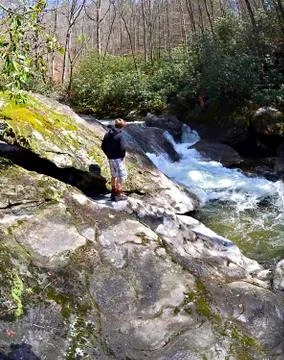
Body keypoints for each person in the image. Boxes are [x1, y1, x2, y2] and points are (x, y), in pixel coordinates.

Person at [101, 118, 127, 201]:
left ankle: (113, 193)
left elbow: (103, 146)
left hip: (110, 158)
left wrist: (108, 154)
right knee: (121, 176)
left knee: (114, 175)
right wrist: (122, 156)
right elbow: (122, 148)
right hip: (118, 158)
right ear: (122, 127)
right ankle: (118, 194)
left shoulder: (108, 133)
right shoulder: (120, 135)